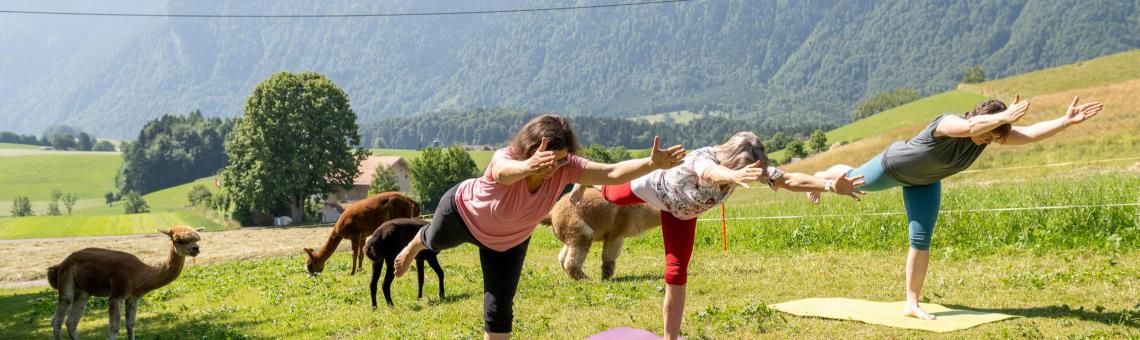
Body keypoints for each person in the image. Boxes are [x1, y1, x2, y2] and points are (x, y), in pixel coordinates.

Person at [391, 114, 687, 340]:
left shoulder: (566, 166)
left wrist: (652, 163)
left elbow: (611, 172)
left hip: (509, 241)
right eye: (548, 159)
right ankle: (416, 242)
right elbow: (504, 173)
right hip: (463, 215)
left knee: (499, 310)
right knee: (433, 240)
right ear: (530, 148)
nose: (554, 168)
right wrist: (529, 167)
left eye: (560, 160)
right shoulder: (506, 159)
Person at [808, 96, 1103, 319]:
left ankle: (912, 303)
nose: (987, 139)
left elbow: (1029, 134)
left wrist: (1065, 121)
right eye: (990, 131)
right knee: (854, 179)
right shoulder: (948, 122)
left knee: (921, 241)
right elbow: (972, 126)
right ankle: (821, 179)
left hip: (925, 182)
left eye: (994, 136)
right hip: (893, 165)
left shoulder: (987, 137)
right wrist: (1006, 115)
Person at [569, 131, 865, 340]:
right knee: (610, 191)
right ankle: (582, 181)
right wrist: (731, 176)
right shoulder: (704, 158)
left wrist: (827, 186)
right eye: (743, 171)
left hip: (682, 213)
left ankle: (670, 338)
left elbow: (787, 179)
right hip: (654, 188)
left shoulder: (750, 169)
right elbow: (709, 173)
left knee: (676, 273)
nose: (750, 175)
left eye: (752, 171)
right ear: (731, 159)